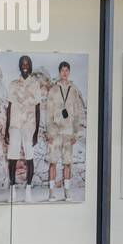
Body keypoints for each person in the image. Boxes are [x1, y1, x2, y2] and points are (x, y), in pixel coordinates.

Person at [42, 60, 86, 201]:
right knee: (53, 162)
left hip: (68, 132)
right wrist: (48, 132)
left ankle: (67, 193)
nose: (65, 73)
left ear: (69, 72)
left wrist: (75, 133)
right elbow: (48, 112)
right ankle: (51, 193)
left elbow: (78, 113)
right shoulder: (53, 90)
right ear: (59, 72)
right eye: (62, 70)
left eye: (67, 70)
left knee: (67, 163)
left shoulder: (74, 90)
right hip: (55, 131)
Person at [4, 54, 43, 203]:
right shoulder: (13, 84)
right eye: (22, 63)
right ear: (20, 66)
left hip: (29, 126)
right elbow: (9, 107)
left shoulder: (35, 84)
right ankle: (12, 190)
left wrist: (36, 132)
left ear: (30, 65)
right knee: (12, 158)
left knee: (29, 157)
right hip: (15, 125)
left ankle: (28, 191)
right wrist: (7, 129)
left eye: (27, 63)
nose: (24, 65)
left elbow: (38, 108)